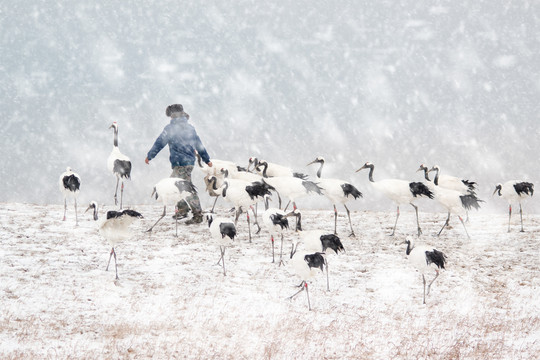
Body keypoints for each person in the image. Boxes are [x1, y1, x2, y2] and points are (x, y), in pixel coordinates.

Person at [145, 104, 213, 225]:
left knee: (181, 187)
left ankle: (197, 214)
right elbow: (199, 144)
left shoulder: (170, 129)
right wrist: (206, 159)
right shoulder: (190, 128)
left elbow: (159, 143)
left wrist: (150, 156)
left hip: (180, 163)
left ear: (172, 115)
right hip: (188, 163)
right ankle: (183, 210)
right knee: (179, 185)